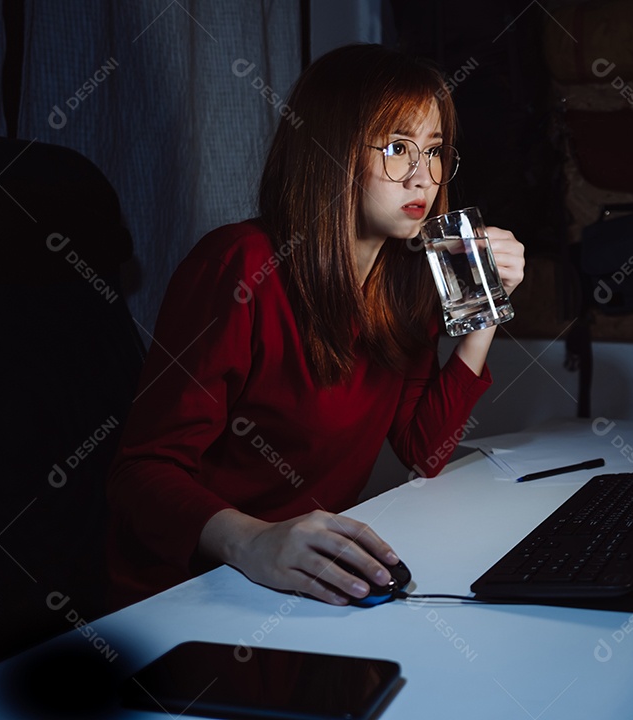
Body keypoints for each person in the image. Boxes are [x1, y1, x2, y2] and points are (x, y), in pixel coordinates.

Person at [106, 44, 524, 609]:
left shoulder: (407, 282)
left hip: (311, 580)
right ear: (332, 151)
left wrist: (483, 305)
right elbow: (141, 474)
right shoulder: (239, 266)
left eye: (434, 151)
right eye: (397, 148)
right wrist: (253, 540)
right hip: (191, 586)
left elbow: (425, 451)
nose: (422, 178)